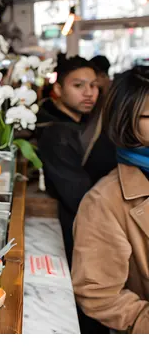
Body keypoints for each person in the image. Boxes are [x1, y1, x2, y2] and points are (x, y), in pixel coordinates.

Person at [72, 66, 149, 334]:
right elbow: (98, 294)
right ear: (126, 121)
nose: (88, 93)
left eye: (93, 85)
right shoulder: (104, 200)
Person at [36, 55, 117, 268]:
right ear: (59, 89)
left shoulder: (83, 123)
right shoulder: (56, 133)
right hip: (80, 230)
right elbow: (79, 196)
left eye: (93, 85)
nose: (89, 93)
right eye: (78, 85)